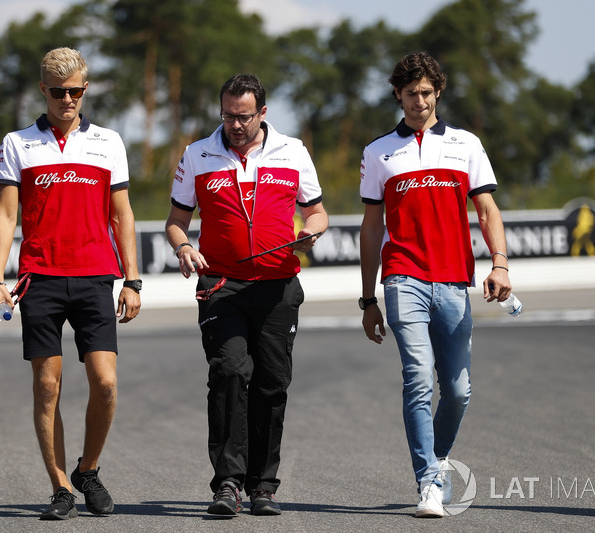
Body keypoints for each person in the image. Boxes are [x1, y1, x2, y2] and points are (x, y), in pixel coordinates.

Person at [0, 47, 142, 521]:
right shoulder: (18, 143)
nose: (68, 99)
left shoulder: (110, 141)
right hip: (41, 277)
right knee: (47, 386)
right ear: (43, 91)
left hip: (97, 275)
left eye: (76, 91)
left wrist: (132, 280)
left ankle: (87, 471)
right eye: (59, 92)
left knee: (107, 384)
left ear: (85, 88)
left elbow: (122, 215)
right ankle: (60, 487)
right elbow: (6, 215)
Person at [165, 73, 328, 517]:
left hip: (278, 287)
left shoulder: (293, 151)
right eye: (227, 115)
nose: (235, 125)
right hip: (221, 287)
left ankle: (263, 486)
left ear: (263, 113)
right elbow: (175, 220)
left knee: (272, 385)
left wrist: (309, 233)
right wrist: (183, 246)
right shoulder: (198, 154)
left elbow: (316, 212)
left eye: (243, 116)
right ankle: (228, 484)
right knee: (230, 373)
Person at [359, 51, 513, 518]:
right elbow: (370, 228)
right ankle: (427, 482)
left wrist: (500, 264)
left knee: (459, 389)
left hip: (453, 281)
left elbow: (487, 211)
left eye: (426, 92)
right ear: (398, 95)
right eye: (410, 93)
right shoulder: (378, 152)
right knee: (418, 377)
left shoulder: (467, 144)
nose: (419, 101)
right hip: (402, 276)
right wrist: (368, 297)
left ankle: (438, 457)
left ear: (438, 91)